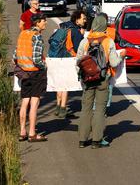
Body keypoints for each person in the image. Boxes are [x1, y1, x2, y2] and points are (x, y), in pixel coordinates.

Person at [76, 13, 125, 148]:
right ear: (104, 26)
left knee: (86, 109)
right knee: (99, 109)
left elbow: (78, 61)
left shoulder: (85, 41)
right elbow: (114, 63)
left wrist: (81, 76)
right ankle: (96, 140)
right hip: (102, 79)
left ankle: (82, 139)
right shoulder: (108, 41)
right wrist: (122, 56)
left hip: (87, 80)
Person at [15, 13, 48, 142]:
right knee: (34, 102)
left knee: (24, 101)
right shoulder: (37, 36)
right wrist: (44, 65)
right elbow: (36, 58)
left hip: (24, 72)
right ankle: (32, 133)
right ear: (38, 23)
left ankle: (22, 131)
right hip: (35, 72)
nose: (45, 23)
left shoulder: (23, 34)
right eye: (44, 21)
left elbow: (15, 55)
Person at [49, 10, 86, 118]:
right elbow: (79, 47)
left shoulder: (63, 27)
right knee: (65, 85)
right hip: (67, 59)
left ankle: (57, 107)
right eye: (83, 18)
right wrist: (82, 36)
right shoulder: (75, 31)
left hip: (56, 58)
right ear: (77, 19)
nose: (85, 20)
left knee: (59, 84)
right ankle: (63, 109)